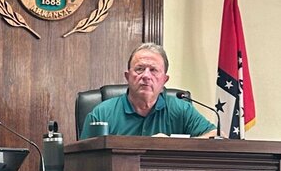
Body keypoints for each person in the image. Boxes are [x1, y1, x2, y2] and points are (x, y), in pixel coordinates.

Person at [80, 43, 217, 139]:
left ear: (164, 80)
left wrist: (175, 144)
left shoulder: (181, 109)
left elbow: (216, 136)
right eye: (139, 69)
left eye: (153, 70)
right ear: (127, 76)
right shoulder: (102, 114)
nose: (146, 76)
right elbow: (85, 160)